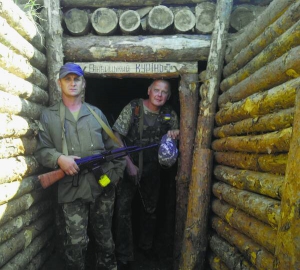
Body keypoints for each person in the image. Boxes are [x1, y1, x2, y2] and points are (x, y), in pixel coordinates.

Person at [34, 63, 125, 270]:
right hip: (71, 189)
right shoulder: (49, 116)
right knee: (76, 244)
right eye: (68, 79)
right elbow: (41, 151)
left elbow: (117, 151)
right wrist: (59, 159)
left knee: (105, 240)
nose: (72, 83)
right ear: (60, 83)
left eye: (77, 79)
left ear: (83, 83)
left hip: (102, 186)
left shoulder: (96, 114)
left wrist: (115, 178)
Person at [112, 79, 180, 269]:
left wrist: (176, 132)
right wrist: (128, 165)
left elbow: (181, 135)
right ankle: (124, 254)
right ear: (149, 91)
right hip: (129, 165)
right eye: (156, 90)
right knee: (122, 211)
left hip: (154, 169)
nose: (159, 95)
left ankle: (146, 247)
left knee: (150, 211)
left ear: (168, 96)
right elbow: (116, 136)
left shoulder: (169, 114)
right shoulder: (134, 108)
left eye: (164, 92)